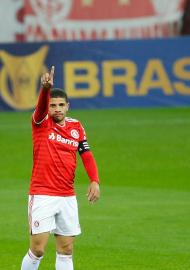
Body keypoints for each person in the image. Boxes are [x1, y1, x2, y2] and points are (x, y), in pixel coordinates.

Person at [21, 66, 101, 270]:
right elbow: (40, 108)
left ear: (67, 106)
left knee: (66, 250)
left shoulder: (76, 127)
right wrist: (45, 89)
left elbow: (86, 154)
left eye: (61, 105)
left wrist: (94, 180)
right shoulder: (40, 122)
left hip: (67, 196)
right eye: (53, 105)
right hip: (42, 194)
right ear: (47, 107)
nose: (57, 109)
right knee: (38, 249)